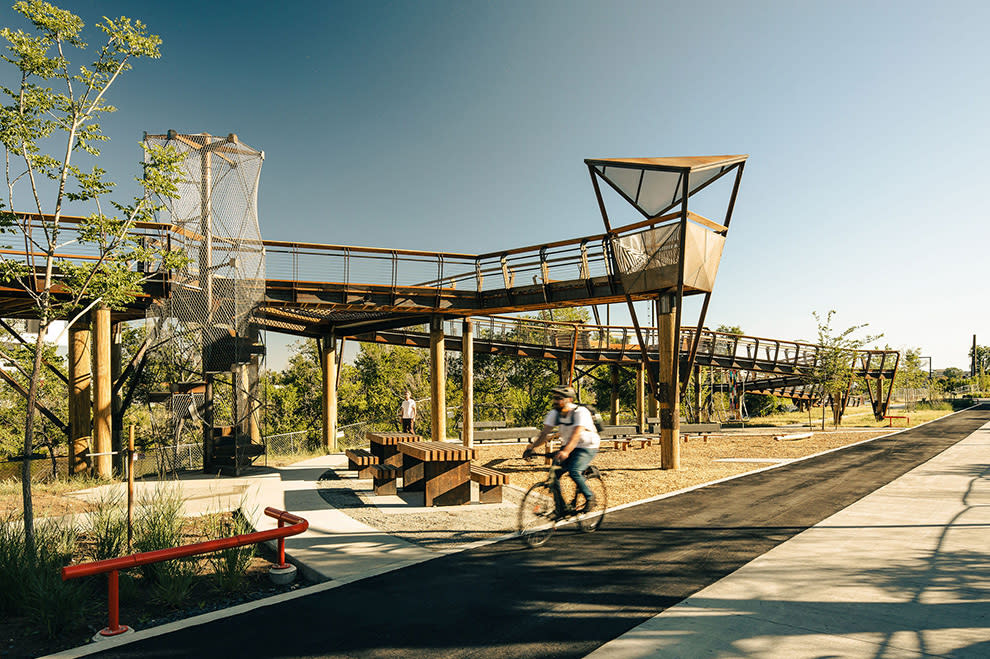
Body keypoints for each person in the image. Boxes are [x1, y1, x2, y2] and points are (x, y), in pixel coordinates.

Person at [523, 385, 600, 512]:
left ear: (569, 400)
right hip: (569, 444)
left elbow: (576, 434)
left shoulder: (580, 412)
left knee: (574, 471)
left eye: (559, 398)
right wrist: (532, 447)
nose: (555, 401)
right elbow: (544, 434)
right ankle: (561, 508)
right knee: (554, 474)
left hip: (587, 445)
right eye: (554, 398)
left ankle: (590, 497)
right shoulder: (554, 413)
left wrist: (565, 451)